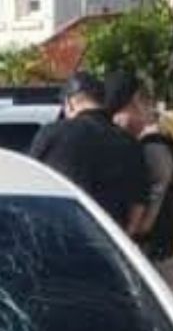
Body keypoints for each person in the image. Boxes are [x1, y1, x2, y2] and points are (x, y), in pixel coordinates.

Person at [31, 70, 149, 236]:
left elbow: (30, 181)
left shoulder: (51, 134)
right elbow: (138, 207)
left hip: (58, 238)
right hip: (105, 243)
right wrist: (121, 240)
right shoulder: (129, 143)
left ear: (70, 104)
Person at [108, 70, 173, 294]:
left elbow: (144, 222)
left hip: (152, 265)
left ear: (135, 104)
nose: (113, 123)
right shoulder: (148, 144)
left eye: (116, 114)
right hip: (153, 262)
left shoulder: (153, 148)